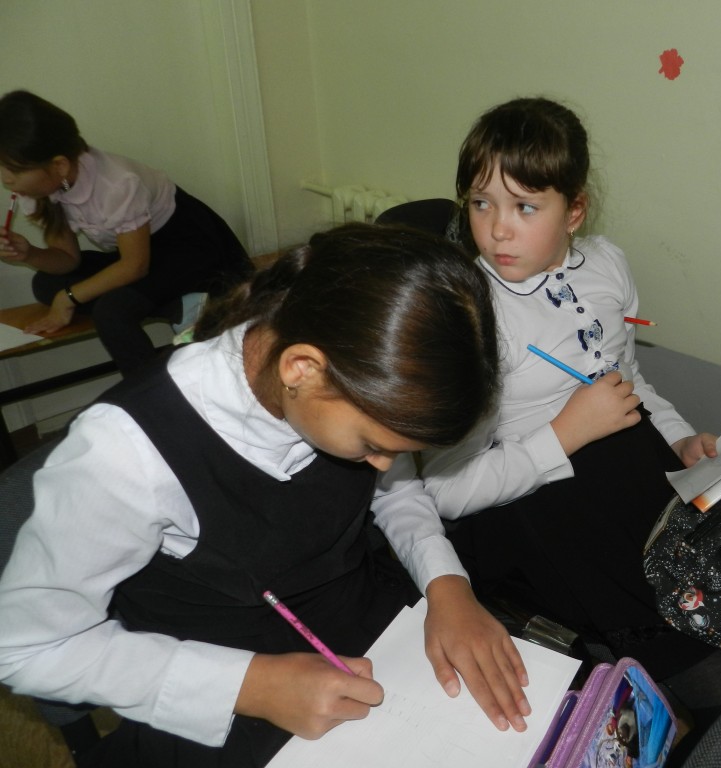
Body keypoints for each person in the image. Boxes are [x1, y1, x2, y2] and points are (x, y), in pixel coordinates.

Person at [0, 223, 531, 768]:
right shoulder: (124, 452)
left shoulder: (338, 380)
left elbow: (394, 491)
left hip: (366, 628)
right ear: (302, 369)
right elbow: (26, 648)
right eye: (373, 445)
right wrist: (251, 685)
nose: (382, 464)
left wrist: (446, 584)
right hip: (219, 683)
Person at [419, 97, 721, 732]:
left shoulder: (606, 263)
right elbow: (442, 489)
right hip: (537, 502)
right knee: (709, 666)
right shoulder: (465, 313)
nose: (497, 230)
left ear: (574, 211)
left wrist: (679, 440)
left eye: (525, 207)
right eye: (481, 203)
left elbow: (631, 381)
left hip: (631, 465)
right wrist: (565, 433)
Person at [0, 89, 253, 373]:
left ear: (59, 165)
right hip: (142, 254)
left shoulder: (117, 185)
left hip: (188, 248)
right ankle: (178, 305)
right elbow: (67, 259)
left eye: (14, 170)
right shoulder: (40, 189)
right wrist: (29, 254)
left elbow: (134, 266)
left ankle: (153, 391)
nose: (6, 179)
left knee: (111, 312)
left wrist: (68, 298)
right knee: (45, 283)